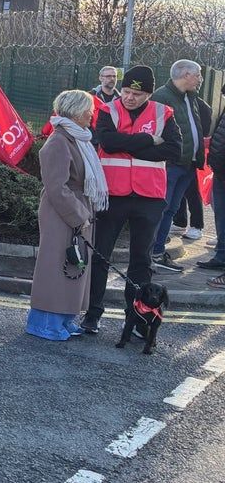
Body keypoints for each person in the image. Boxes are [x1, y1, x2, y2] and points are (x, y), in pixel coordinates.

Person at [81, 65, 182, 334]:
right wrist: (148, 140)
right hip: (112, 195)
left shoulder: (163, 113)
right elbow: (107, 142)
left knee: (141, 260)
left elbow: (174, 150)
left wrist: (127, 146)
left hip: (149, 197)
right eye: (126, 91)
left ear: (148, 94)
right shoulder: (108, 110)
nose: (129, 97)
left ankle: (136, 318)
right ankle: (92, 313)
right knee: (100, 255)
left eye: (136, 94)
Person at [26, 90, 109, 341]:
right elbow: (56, 187)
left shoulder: (75, 138)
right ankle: (44, 323)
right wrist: (79, 215)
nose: (92, 114)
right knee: (56, 266)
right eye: (88, 109)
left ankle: (63, 319)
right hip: (62, 212)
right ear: (76, 111)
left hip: (75, 208)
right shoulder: (59, 141)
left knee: (74, 264)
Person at [150, 60, 205, 271]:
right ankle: (151, 253)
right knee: (162, 209)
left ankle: (157, 251)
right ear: (185, 75)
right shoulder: (162, 97)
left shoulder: (190, 96)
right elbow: (156, 131)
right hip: (171, 164)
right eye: (197, 74)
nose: (200, 79)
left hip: (189, 164)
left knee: (171, 209)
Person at [171, 90, 212, 239]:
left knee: (192, 192)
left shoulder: (201, 106)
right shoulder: (177, 102)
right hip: (179, 155)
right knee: (178, 192)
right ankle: (179, 221)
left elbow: (202, 132)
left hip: (193, 157)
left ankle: (197, 225)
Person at [200, 81, 225, 277]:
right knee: (221, 214)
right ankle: (221, 253)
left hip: (222, 171)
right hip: (220, 170)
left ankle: (222, 255)